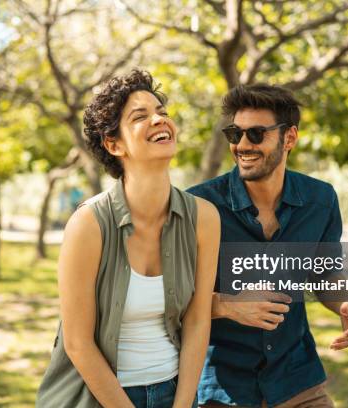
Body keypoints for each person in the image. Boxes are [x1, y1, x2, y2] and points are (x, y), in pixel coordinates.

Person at [36, 70, 220, 408]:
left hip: (173, 392)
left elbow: (197, 320)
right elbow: (78, 343)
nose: (158, 120)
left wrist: (182, 405)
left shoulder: (204, 218)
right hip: (97, 397)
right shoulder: (88, 224)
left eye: (161, 112)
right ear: (114, 144)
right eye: (140, 116)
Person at [188, 84, 348, 408]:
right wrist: (227, 305)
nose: (241, 145)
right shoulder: (198, 205)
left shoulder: (321, 200)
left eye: (255, 134)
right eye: (234, 133)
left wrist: (345, 303)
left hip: (298, 381)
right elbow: (169, 299)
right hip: (223, 390)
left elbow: (323, 276)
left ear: (290, 138)